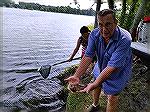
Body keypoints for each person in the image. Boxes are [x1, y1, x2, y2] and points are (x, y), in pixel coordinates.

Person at [65, 9, 132, 112]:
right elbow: (88, 56)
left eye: (108, 24)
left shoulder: (125, 39)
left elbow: (112, 67)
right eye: (100, 25)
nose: (104, 29)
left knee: (112, 98)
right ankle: (95, 105)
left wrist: (95, 83)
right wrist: (76, 75)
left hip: (118, 70)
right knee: (97, 84)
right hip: (101, 65)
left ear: (116, 23)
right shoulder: (94, 34)